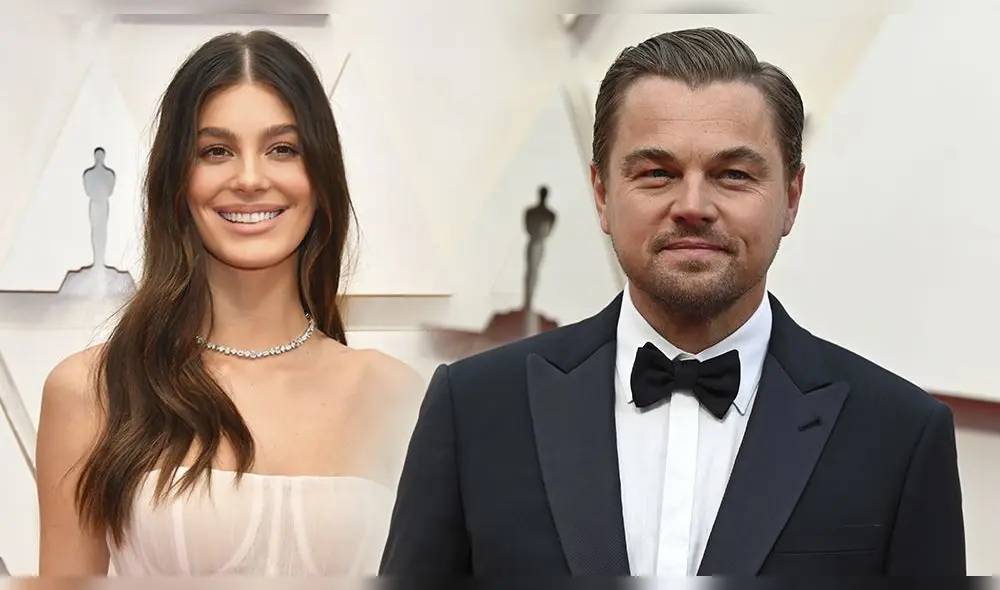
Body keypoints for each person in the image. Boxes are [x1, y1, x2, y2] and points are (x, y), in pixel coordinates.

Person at [380, 27, 966, 576]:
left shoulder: (900, 435)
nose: (693, 204)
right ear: (602, 194)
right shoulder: (473, 409)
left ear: (791, 197)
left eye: (733, 174)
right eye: (657, 173)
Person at [35, 30, 423, 576]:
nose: (248, 179)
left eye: (282, 149)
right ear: (176, 179)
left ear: (321, 174)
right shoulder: (92, 390)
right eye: (216, 151)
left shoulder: (401, 397)